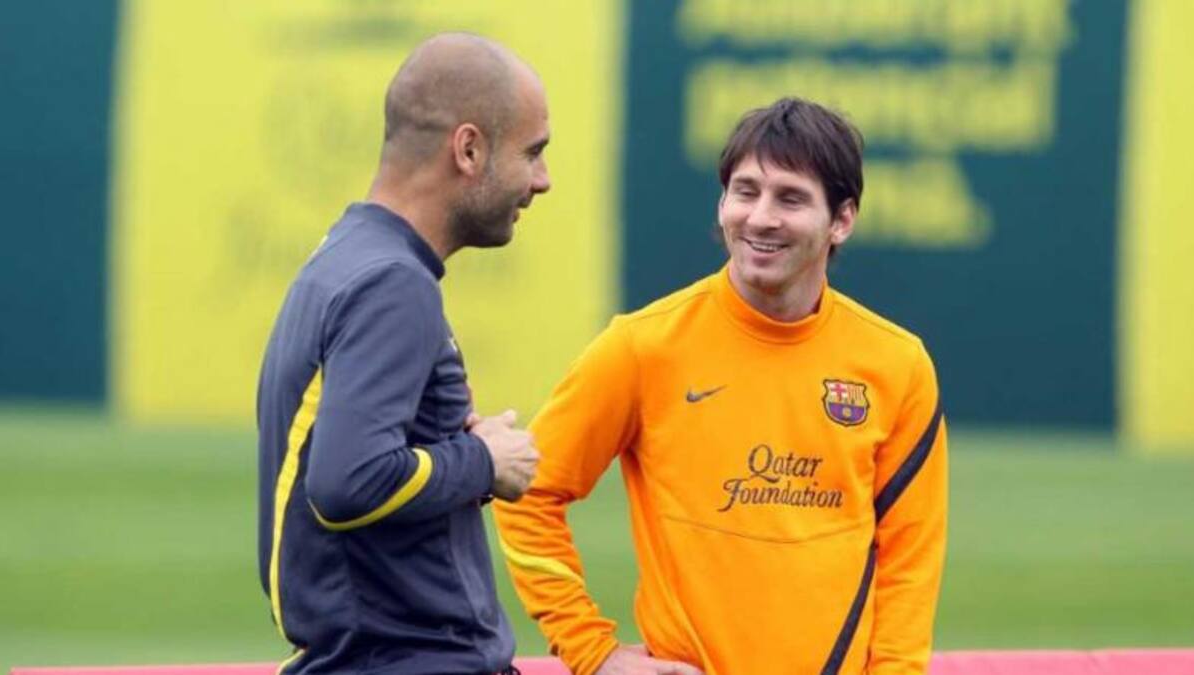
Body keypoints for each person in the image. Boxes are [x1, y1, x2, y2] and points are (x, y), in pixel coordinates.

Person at [493, 97, 948, 675]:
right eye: (745, 191)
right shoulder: (643, 345)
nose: (760, 217)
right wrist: (594, 653)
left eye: (791, 198)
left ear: (842, 220)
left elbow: (910, 559)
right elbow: (528, 492)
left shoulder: (897, 365)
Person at [256, 32, 550, 674]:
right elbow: (346, 482)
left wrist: (451, 449)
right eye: (533, 153)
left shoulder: (346, 256)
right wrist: (480, 462)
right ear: (469, 149)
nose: (543, 181)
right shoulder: (394, 282)